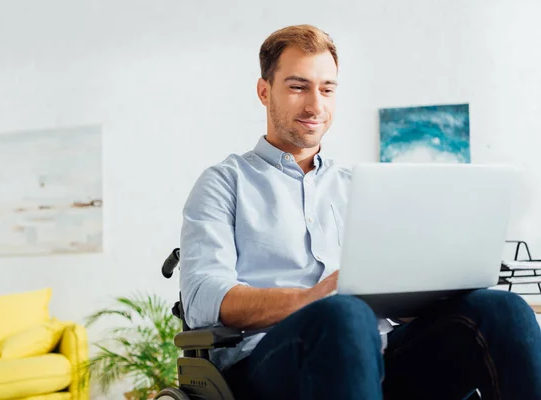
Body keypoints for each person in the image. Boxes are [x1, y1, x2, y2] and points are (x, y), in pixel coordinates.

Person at [179, 24, 541, 400]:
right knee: (343, 315)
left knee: (504, 309)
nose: (315, 105)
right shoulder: (225, 183)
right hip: (270, 362)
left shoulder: (360, 187)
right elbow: (204, 298)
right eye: (298, 86)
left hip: (382, 356)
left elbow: (400, 302)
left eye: (327, 89)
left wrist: (430, 291)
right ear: (264, 91)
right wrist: (308, 299)